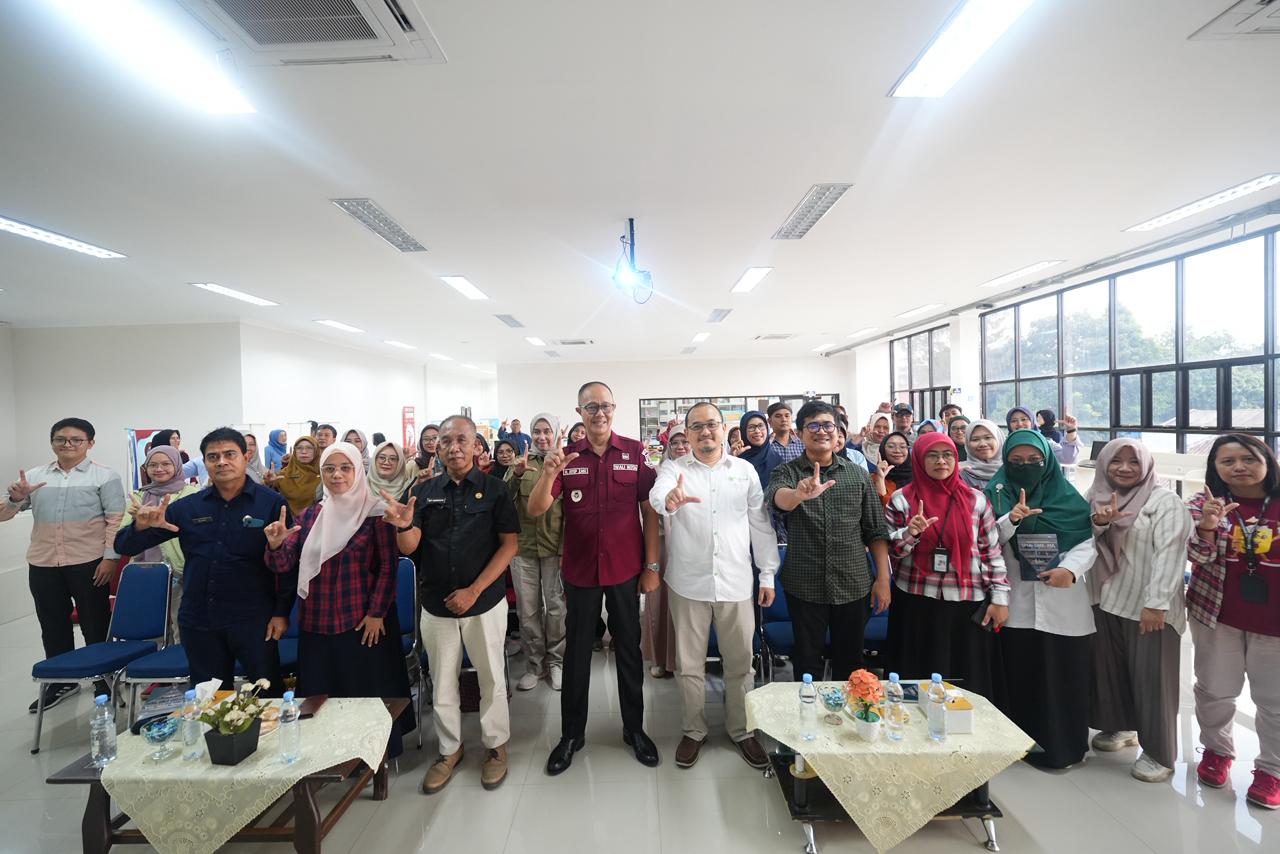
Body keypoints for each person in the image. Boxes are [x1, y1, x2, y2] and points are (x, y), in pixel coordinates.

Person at [528, 381, 662, 775]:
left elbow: (650, 513)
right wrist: (547, 473)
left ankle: (634, 729)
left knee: (629, 652)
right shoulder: (566, 457)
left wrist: (652, 567)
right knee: (576, 655)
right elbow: (536, 509)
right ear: (579, 412)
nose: (599, 413)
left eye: (605, 406)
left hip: (624, 570)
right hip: (581, 572)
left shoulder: (634, 452)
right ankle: (571, 735)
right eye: (591, 407)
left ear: (614, 409)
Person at [384, 415, 519, 793]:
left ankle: (496, 746)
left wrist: (474, 591)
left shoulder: (495, 490)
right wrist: (403, 525)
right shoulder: (423, 491)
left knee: (491, 677)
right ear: (437, 448)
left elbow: (509, 545)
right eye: (445, 441)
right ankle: (448, 750)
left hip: (484, 601)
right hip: (436, 603)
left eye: (462, 440)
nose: (454, 447)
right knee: (443, 681)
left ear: (476, 445)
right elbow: (409, 548)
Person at [649, 403, 780, 769]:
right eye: (696, 427)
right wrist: (669, 500)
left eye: (711, 425)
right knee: (689, 665)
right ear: (687, 433)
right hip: (688, 584)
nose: (705, 432)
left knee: (740, 664)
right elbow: (659, 495)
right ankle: (693, 730)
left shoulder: (744, 470)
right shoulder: (673, 469)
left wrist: (767, 574)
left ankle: (741, 730)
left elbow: (761, 525)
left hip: (736, 582)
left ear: (724, 429)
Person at [264, 441, 413, 757]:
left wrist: (377, 613)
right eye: (329, 469)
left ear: (358, 471)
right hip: (317, 622)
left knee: (363, 692)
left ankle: (370, 755)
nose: (337, 475)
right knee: (322, 694)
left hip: (361, 621)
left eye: (345, 468)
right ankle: (327, 756)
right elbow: (285, 566)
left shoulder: (376, 513)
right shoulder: (311, 515)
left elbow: (388, 568)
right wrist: (276, 546)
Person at [115, 428, 292, 692]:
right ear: (204, 462)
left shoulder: (272, 503)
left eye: (230, 454)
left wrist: (281, 613)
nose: (222, 462)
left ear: (245, 457)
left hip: (254, 619)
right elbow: (125, 546)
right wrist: (139, 527)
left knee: (266, 693)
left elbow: (289, 567)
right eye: (213, 457)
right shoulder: (188, 507)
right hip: (199, 619)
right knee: (209, 698)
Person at [986, 429, 1096, 769]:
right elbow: (986, 541)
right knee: (1021, 676)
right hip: (1015, 604)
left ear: (1047, 461)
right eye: (1017, 461)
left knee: (1064, 676)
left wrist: (1070, 570)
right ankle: (1018, 745)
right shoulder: (994, 495)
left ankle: (1063, 747)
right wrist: (1011, 519)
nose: (1026, 466)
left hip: (1063, 602)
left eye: (1034, 460)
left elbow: (1088, 541)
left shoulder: (1069, 499)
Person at [1085, 438, 1191, 784]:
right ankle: (1121, 726)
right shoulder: (1095, 496)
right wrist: (1100, 523)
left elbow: (1171, 554)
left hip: (1147, 605)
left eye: (1134, 462)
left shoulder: (1164, 501)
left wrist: (1157, 603)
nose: (1125, 468)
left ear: (1146, 465)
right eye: (1116, 461)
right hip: (1106, 599)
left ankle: (1159, 751)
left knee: (1153, 680)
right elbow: (1083, 540)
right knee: (1112, 671)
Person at [1, 418, 124, 711]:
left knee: (95, 622)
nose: (67, 444)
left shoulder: (105, 476)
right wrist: (16, 499)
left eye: (75, 439)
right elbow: (4, 515)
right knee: (52, 624)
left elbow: (115, 519)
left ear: (90, 443)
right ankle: (62, 681)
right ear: (52, 442)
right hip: (43, 562)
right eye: (60, 439)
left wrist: (110, 558)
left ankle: (102, 678)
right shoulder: (34, 476)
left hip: (88, 561)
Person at [765, 400, 892, 682]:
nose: (821, 431)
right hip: (804, 585)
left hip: (854, 583)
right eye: (812, 426)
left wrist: (883, 579)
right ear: (799, 433)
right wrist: (798, 495)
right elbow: (777, 498)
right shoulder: (787, 472)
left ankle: (849, 710)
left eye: (827, 425)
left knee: (851, 664)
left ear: (838, 433)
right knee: (807, 663)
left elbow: (875, 530)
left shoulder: (858, 475)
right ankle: (808, 711)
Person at [1186, 434, 1280, 808]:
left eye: (1248, 459)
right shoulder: (1204, 503)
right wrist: (1208, 525)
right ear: (1216, 468)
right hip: (1217, 615)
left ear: (1267, 460)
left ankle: (1272, 770)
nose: (1239, 467)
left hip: (1274, 623)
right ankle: (1217, 751)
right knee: (1214, 690)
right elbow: (1196, 557)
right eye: (1227, 461)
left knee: (1274, 700)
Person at [885, 432, 1009, 695]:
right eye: (932, 455)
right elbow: (891, 551)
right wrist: (910, 533)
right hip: (916, 602)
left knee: (965, 683)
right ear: (919, 459)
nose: (940, 461)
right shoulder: (902, 500)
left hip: (966, 602)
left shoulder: (976, 500)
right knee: (915, 682)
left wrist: (1000, 598)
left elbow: (990, 552)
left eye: (947, 455)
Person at [506, 413, 568, 691]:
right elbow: (503, 499)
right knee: (528, 610)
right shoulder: (521, 463)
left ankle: (556, 662)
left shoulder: (565, 463)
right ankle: (535, 665)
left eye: (547, 431)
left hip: (555, 548)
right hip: (524, 549)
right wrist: (517, 474)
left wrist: (566, 549)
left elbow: (571, 512)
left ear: (555, 433)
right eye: (537, 431)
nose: (542, 437)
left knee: (556, 608)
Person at [119, 446, 200, 640]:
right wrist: (138, 523)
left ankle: (182, 659)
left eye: (166, 464)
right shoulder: (138, 496)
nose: (159, 469)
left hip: (183, 569)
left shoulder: (192, 494)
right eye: (153, 465)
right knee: (150, 627)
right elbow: (123, 534)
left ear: (177, 465)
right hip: (147, 569)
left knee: (183, 626)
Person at [642, 430, 688, 678]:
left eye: (685, 442)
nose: (680, 446)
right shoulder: (659, 473)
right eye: (675, 442)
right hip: (664, 545)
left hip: (692, 549)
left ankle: (685, 660)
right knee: (660, 604)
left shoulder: (703, 472)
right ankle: (661, 657)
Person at [1006, 407, 1083, 466]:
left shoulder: (1044, 443)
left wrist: (1071, 430)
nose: (1019, 424)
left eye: (1023, 419)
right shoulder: (1004, 444)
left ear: (1032, 422)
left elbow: (1068, 459)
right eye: (1014, 421)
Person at [269, 436, 322, 516]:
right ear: (295, 451)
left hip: (315, 520)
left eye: (309, 448)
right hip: (287, 520)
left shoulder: (324, 474)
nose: (304, 452)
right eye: (299, 448)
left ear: (316, 451)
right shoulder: (284, 473)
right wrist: (269, 483)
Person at [737, 411, 781, 486]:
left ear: (767, 428)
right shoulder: (737, 461)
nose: (757, 431)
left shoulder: (777, 461)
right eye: (751, 427)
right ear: (744, 431)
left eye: (761, 426)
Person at [960, 419, 1005, 491]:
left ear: (999, 439)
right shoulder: (960, 472)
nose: (983, 444)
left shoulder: (1011, 470)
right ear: (967, 443)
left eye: (988, 438)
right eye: (975, 439)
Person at [872, 431, 912, 507]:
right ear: (882, 449)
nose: (897, 450)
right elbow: (877, 508)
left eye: (902, 447)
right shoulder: (873, 478)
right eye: (891, 446)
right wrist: (880, 479)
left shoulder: (917, 476)